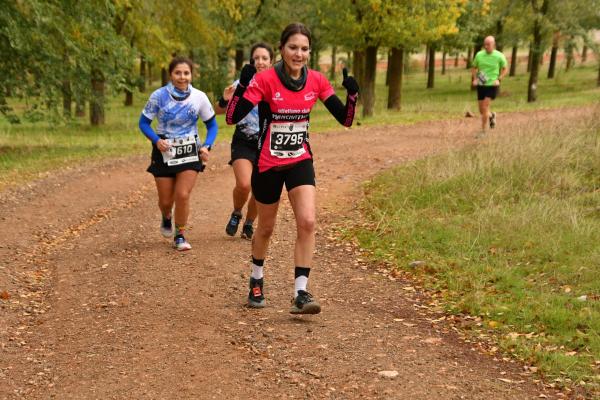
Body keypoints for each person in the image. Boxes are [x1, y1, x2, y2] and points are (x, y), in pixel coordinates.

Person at [226, 23, 359, 314]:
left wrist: (352, 97)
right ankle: (256, 280)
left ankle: (301, 292)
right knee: (266, 227)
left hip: (299, 159)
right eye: (293, 48)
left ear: (309, 51)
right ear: (282, 48)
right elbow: (232, 117)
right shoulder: (265, 80)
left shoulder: (317, 81)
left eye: (304, 49)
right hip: (268, 163)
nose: (299, 54)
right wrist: (244, 86)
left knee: (308, 222)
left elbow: (346, 120)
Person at [138, 57, 218, 251]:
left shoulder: (199, 97)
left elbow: (212, 125)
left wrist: (207, 146)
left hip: (190, 149)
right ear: (171, 74)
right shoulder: (158, 96)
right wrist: (157, 141)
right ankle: (166, 216)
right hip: (164, 149)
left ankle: (180, 234)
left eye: (186, 73)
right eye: (178, 73)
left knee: (182, 195)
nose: (182, 77)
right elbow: (143, 123)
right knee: (166, 201)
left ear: (191, 75)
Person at [215, 43, 274, 240]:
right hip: (243, 140)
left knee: (260, 189)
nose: (260, 62)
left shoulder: (278, 83)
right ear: (251, 61)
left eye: (264, 58)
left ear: (271, 61)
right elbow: (220, 111)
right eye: (256, 58)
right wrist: (224, 100)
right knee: (244, 184)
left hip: (267, 142)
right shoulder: (241, 82)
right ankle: (237, 212)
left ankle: (249, 223)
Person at [471, 36, 508, 138]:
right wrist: (474, 79)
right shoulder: (479, 55)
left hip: (492, 85)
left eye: (488, 44)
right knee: (482, 111)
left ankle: (483, 131)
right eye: (485, 44)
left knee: (485, 107)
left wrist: (499, 79)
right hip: (481, 84)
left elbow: (505, 69)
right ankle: (492, 115)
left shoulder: (499, 56)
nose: (486, 46)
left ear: (494, 45)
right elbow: (474, 68)